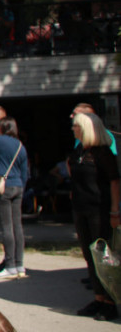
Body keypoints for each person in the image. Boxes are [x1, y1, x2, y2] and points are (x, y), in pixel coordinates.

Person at [69, 112, 120, 321]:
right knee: (89, 255)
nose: (73, 129)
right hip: (81, 209)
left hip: (99, 210)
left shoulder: (102, 153)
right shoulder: (79, 151)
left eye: (76, 126)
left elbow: (115, 182)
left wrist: (115, 211)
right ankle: (98, 298)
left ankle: (110, 301)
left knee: (103, 256)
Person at [0, 117, 29, 279]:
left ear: (1, 128)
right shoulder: (20, 145)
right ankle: (20, 264)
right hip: (18, 186)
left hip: (3, 186)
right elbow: (24, 171)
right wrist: (22, 185)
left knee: (6, 227)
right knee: (18, 226)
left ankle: (9, 265)